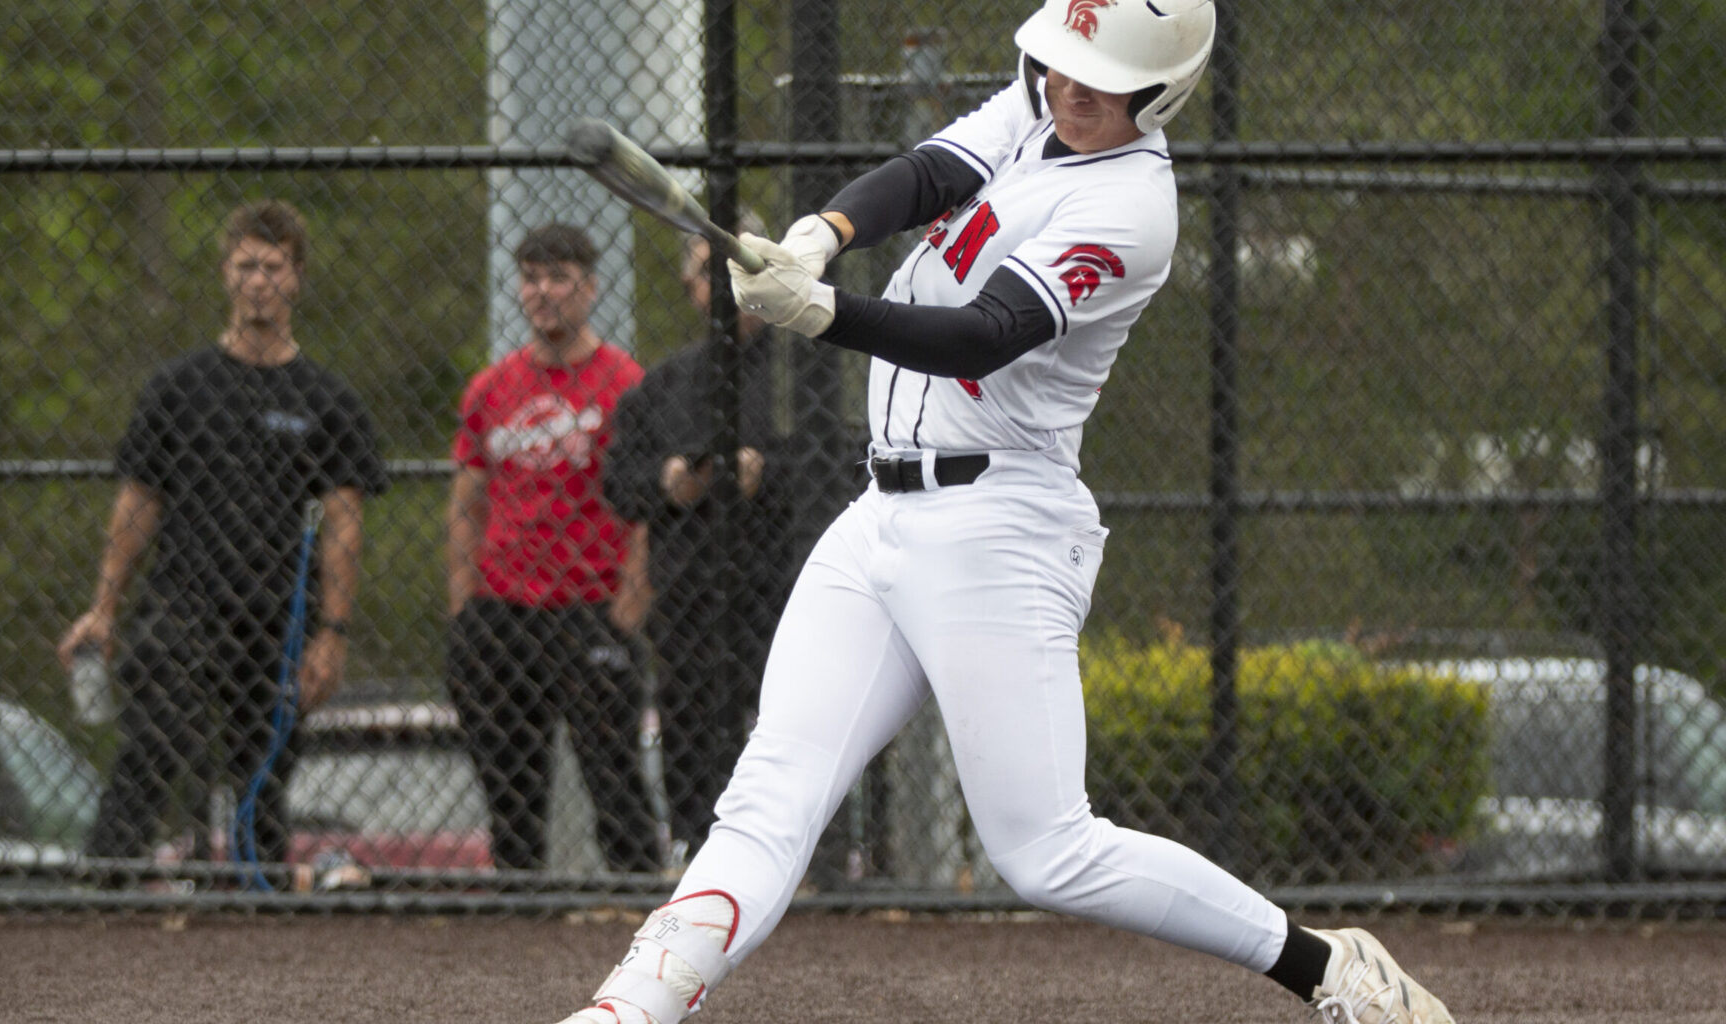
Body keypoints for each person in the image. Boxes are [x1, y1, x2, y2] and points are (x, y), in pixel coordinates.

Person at [548, 4, 1454, 1024]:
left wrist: (824, 313)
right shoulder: (1042, 101)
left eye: (1098, 80)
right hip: (880, 515)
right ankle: (631, 1008)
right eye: (1061, 63)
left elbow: (986, 333)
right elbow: (931, 171)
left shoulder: (1133, 207)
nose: (1068, 88)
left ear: (1160, 96)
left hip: (999, 529)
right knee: (767, 796)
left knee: (1047, 852)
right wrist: (824, 232)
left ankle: (1326, 968)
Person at [59, 199, 387, 871]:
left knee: (262, 775)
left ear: (296, 277)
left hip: (278, 618)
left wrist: (332, 633)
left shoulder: (326, 400)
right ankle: (103, 887)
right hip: (183, 605)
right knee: (153, 745)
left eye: (273, 267)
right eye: (246, 266)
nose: (258, 281)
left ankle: (257, 899)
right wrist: (104, 607)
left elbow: (344, 524)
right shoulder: (177, 388)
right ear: (225, 275)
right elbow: (137, 504)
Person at [602, 217, 858, 861]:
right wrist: (669, 482)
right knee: (689, 722)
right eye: (707, 273)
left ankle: (816, 858)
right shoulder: (665, 384)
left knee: (797, 719)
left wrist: (765, 475)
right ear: (689, 286)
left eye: (739, 271)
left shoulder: (806, 375)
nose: (723, 288)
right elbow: (619, 479)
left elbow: (849, 468)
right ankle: (701, 852)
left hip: (787, 585)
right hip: (690, 592)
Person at [446, 223, 664, 873]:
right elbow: (466, 503)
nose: (544, 292)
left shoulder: (626, 384)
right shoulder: (492, 389)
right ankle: (520, 905)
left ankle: (634, 899)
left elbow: (648, 505)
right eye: (532, 278)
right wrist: (464, 606)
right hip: (505, 607)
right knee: (510, 788)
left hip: (591, 604)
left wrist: (629, 602)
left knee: (614, 780)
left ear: (590, 289)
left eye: (559, 278)